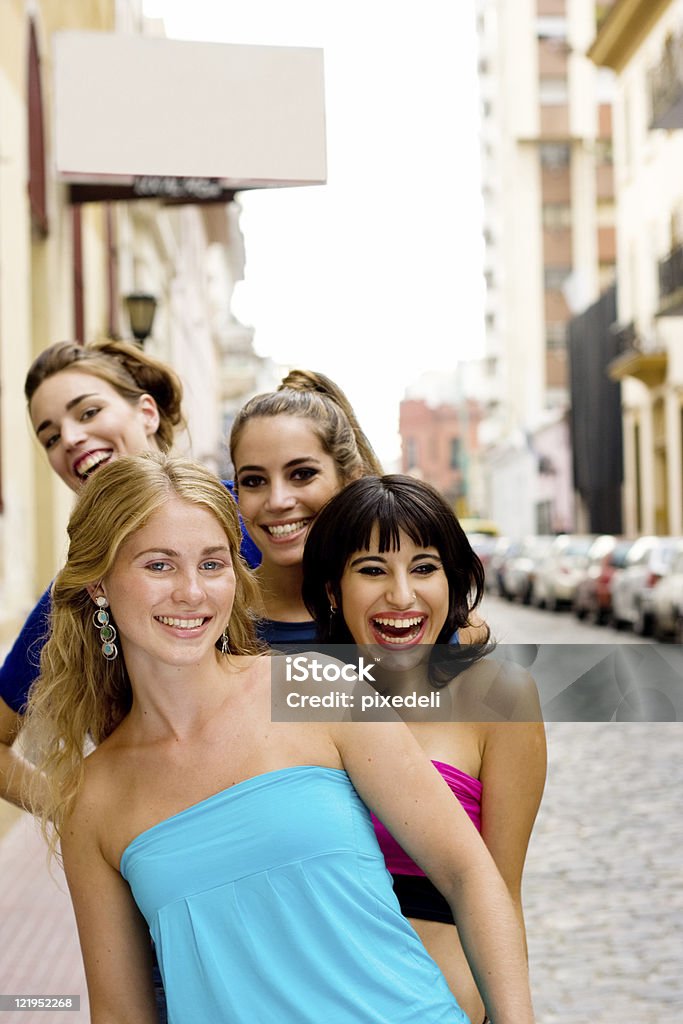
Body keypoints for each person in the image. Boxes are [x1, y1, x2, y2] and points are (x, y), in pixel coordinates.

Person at [21, 452, 536, 1024]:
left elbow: (472, 876)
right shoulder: (91, 799)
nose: (192, 592)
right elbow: (119, 1013)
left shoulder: (318, 688)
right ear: (98, 583)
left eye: (213, 564)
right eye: (159, 565)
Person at [302, 474, 547, 1024]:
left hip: (441, 1007)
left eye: (424, 567)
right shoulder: (300, 698)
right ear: (332, 592)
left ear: (452, 582)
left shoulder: (500, 698)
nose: (402, 595)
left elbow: (501, 895)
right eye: (372, 570)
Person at [0, 338, 260, 809]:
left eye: (87, 412)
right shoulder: (78, 591)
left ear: (146, 413)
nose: (71, 439)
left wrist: (319, 733)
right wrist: (85, 817)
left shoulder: (256, 519)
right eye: (51, 437)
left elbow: (409, 672)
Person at [228, 369, 382, 647]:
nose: (277, 500)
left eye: (302, 474)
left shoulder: (404, 613)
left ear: (351, 480)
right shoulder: (211, 619)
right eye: (254, 480)